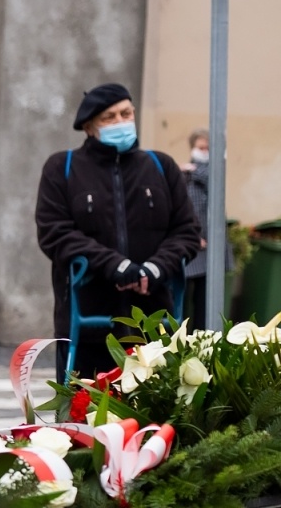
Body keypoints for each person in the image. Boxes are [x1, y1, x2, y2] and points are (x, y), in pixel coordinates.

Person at [35, 83, 200, 379]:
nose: (120, 122)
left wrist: (154, 269)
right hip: (88, 326)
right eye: (109, 117)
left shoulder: (161, 166)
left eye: (126, 113)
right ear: (89, 127)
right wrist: (116, 266)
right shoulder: (62, 168)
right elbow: (54, 233)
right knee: (82, 407)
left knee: (153, 409)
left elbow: (186, 231)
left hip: (154, 329)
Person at [180, 128, 234, 331]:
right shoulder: (184, 173)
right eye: (200, 148)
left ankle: (204, 338)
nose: (204, 152)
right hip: (191, 245)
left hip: (210, 246)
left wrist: (194, 170)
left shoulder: (211, 172)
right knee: (183, 300)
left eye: (208, 148)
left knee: (205, 301)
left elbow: (214, 184)